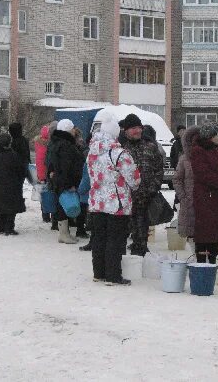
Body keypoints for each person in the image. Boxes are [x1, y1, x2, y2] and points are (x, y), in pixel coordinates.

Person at [87, 119, 140, 286]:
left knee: (99, 238)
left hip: (97, 202)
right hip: (116, 204)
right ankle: (113, 275)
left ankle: (99, 273)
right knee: (115, 240)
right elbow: (134, 180)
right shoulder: (119, 153)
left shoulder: (92, 152)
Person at [190, 121, 218, 264]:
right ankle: (202, 261)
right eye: (217, 134)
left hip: (217, 198)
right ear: (210, 136)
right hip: (205, 198)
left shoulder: (217, 149)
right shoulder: (198, 150)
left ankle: (213, 261)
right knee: (204, 232)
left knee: (215, 232)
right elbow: (203, 174)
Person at [120, 114, 163, 256]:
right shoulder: (120, 148)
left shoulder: (150, 146)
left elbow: (159, 169)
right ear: (125, 130)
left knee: (143, 229)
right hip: (125, 200)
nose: (137, 130)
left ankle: (141, 251)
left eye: (139, 127)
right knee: (123, 232)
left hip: (145, 197)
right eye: (133, 128)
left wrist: (153, 188)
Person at [48, 119, 85, 244]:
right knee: (64, 206)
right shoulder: (66, 145)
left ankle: (65, 233)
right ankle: (64, 234)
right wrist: (70, 184)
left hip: (59, 180)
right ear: (69, 130)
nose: (75, 130)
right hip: (65, 181)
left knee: (62, 205)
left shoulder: (56, 142)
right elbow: (66, 167)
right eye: (73, 128)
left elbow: (51, 163)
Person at [0, 133, 26, 235]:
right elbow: (21, 171)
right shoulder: (15, 156)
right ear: (9, 143)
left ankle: (1, 228)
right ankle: (9, 228)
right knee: (11, 207)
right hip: (12, 185)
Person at [172, 126, 199, 247]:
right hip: (189, 201)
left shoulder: (208, 157)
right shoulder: (184, 159)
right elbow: (177, 179)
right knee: (191, 232)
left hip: (205, 201)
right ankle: (196, 259)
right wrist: (183, 197)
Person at [34, 125, 51, 223]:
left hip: (40, 174)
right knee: (51, 194)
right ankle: (51, 214)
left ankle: (45, 216)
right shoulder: (49, 145)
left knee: (43, 195)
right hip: (49, 173)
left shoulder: (37, 143)